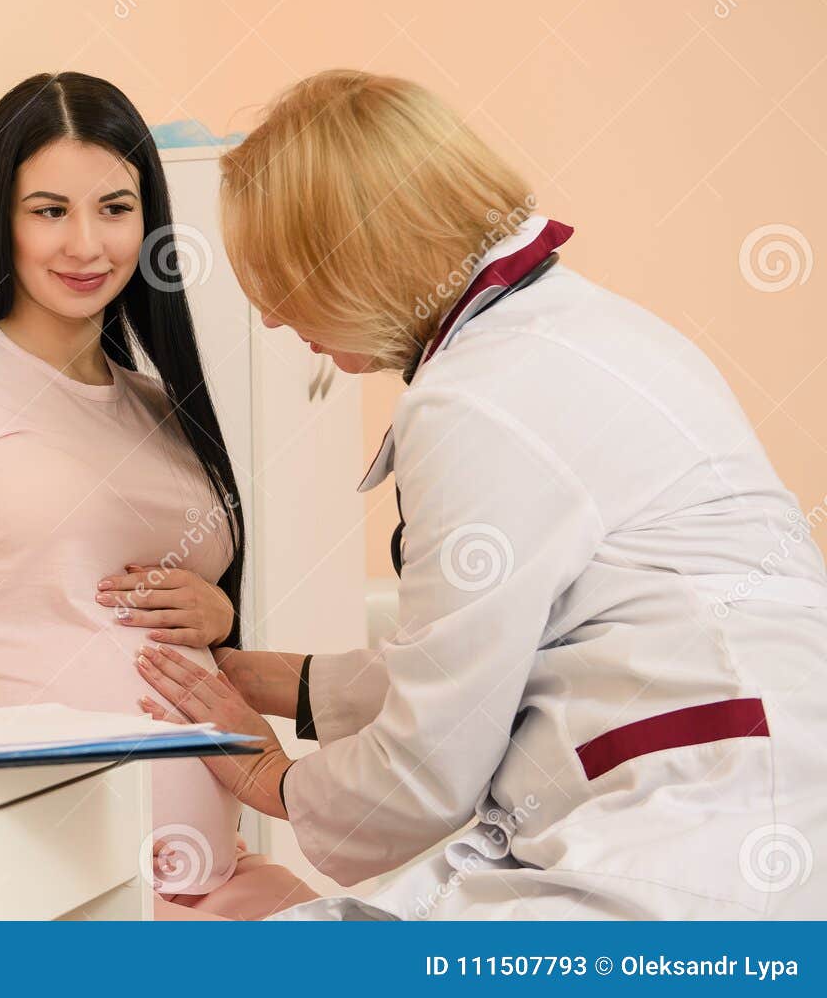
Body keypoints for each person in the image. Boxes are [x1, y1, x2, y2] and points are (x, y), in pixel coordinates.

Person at [137, 69, 827, 919]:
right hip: (741, 799)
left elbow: (438, 749)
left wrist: (274, 780)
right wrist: (284, 681)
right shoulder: (585, 330)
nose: (275, 321)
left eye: (283, 282)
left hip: (687, 835)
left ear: (357, 253)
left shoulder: (475, 397)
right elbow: (484, 644)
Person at [0, 72, 307, 918]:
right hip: (42, 881)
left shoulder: (162, 407)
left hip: (215, 875)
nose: (86, 243)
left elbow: (129, 608)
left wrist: (218, 618)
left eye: (115, 209)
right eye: (50, 210)